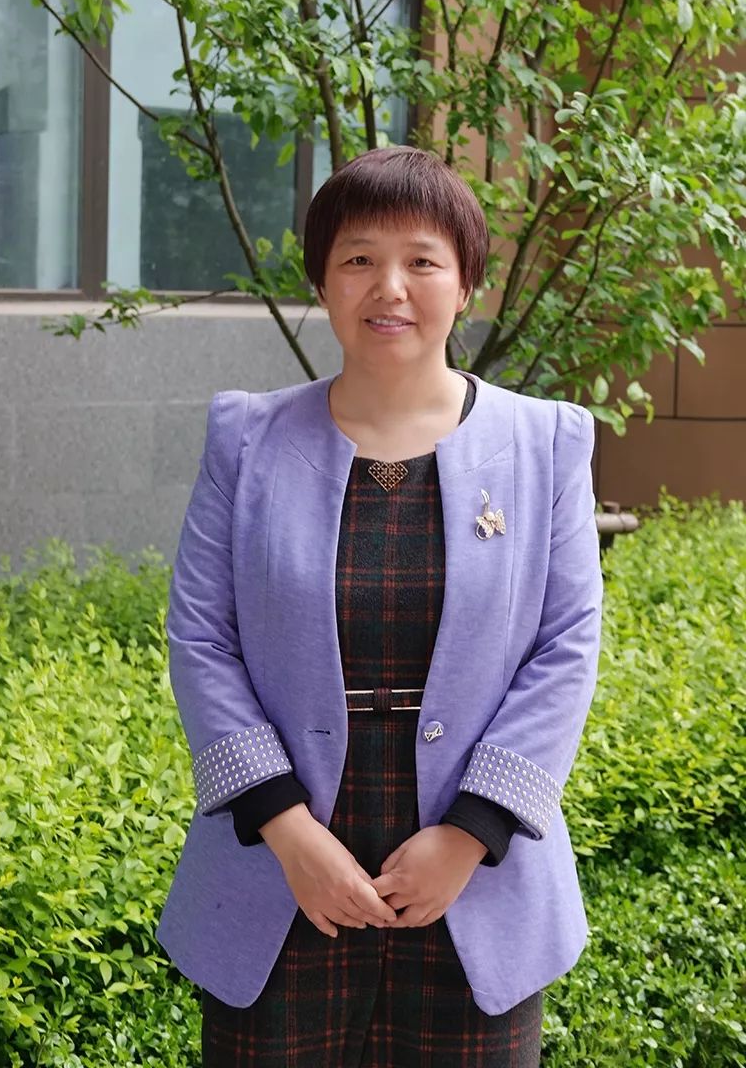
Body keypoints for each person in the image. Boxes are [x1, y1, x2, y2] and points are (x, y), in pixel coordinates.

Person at [155, 146, 604, 1066]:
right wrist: (288, 832)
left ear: (465, 284)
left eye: (422, 260)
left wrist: (470, 835)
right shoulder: (247, 439)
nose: (389, 287)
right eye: (358, 258)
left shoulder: (545, 443)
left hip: (474, 874)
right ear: (322, 281)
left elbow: (566, 647)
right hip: (283, 867)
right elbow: (202, 637)